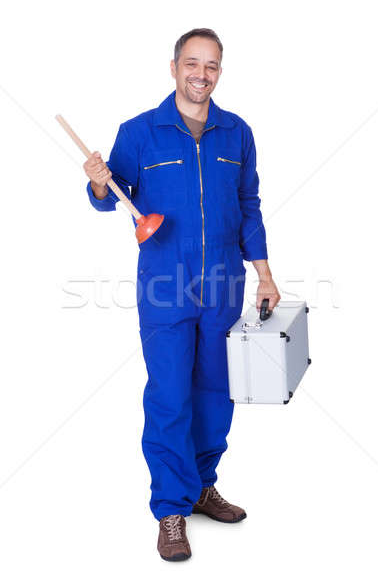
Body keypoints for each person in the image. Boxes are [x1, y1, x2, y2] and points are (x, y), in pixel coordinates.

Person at [83, 28, 280, 562]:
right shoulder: (140, 132)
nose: (201, 73)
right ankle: (171, 508)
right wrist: (100, 182)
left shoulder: (236, 133)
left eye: (211, 65)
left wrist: (263, 274)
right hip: (165, 286)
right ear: (173, 68)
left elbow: (249, 205)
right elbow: (110, 199)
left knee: (216, 392)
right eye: (191, 63)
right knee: (170, 394)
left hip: (223, 284)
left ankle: (200, 486)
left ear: (220, 72)